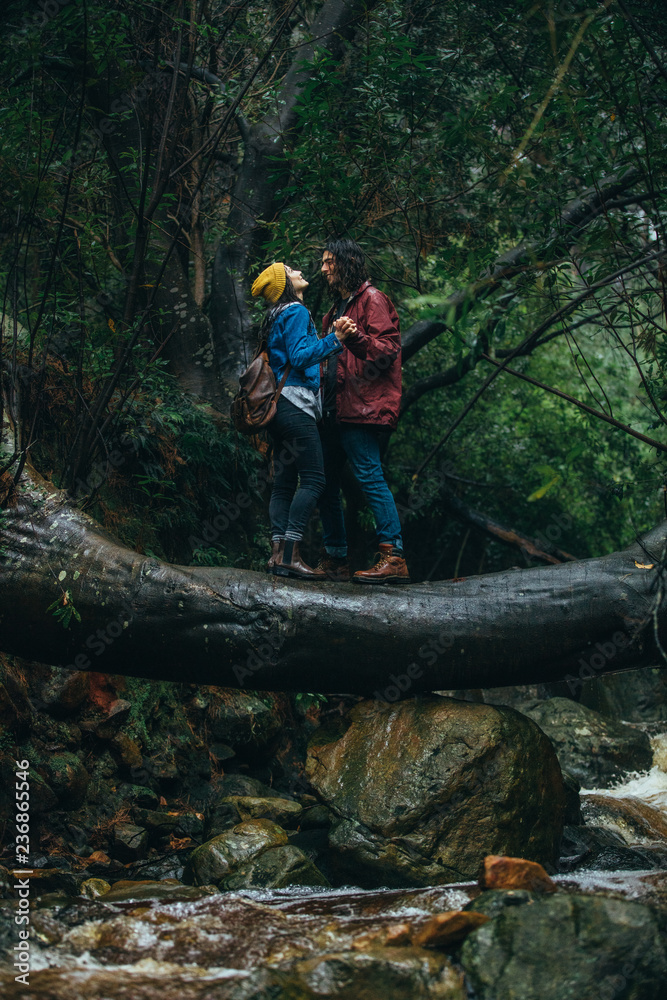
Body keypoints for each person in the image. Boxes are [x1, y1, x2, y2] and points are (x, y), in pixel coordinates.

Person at [251, 261, 355, 580]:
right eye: (291, 269)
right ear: (284, 282)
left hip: (276, 410)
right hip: (295, 405)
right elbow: (299, 357)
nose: (298, 271)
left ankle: (277, 553)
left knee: (283, 484)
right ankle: (290, 555)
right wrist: (334, 338)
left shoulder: (272, 316)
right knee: (314, 479)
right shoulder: (295, 311)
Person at [317, 239, 410, 584]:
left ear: (346, 262)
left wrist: (355, 339)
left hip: (359, 410)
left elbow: (387, 351)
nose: (324, 268)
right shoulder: (336, 309)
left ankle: (394, 557)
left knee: (370, 478)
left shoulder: (372, 300)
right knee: (323, 483)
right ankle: (336, 558)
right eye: (323, 262)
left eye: (329, 262)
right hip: (332, 411)